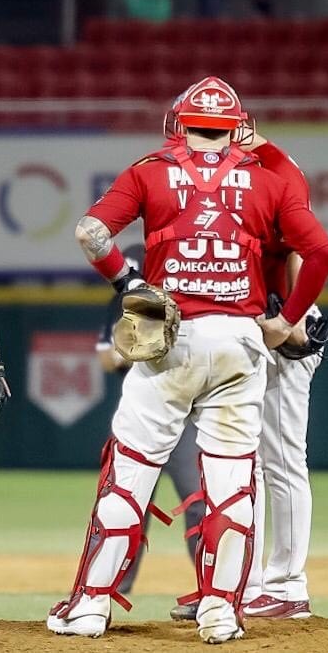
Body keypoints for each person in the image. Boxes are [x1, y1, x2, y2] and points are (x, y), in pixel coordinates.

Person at [46, 76, 328, 644]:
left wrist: (128, 281)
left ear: (179, 122)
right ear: (236, 129)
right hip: (241, 339)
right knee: (233, 478)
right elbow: (322, 251)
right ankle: (222, 611)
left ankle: (90, 608)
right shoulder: (267, 180)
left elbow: (90, 232)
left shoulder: (150, 169)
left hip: (171, 338)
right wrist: (286, 318)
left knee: (130, 471)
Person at [170, 135, 328, 622]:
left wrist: (293, 320)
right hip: (242, 324)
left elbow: (308, 245)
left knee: (280, 461)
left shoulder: (275, 166)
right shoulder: (211, 171)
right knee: (239, 462)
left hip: (279, 321)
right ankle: (242, 583)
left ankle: (285, 585)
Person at [95, 244, 203, 597]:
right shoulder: (129, 288)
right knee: (126, 502)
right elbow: (106, 360)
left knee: (199, 501)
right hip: (143, 411)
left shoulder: (194, 274)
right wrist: (140, 341)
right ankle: (105, 592)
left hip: (188, 412)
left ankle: (211, 591)